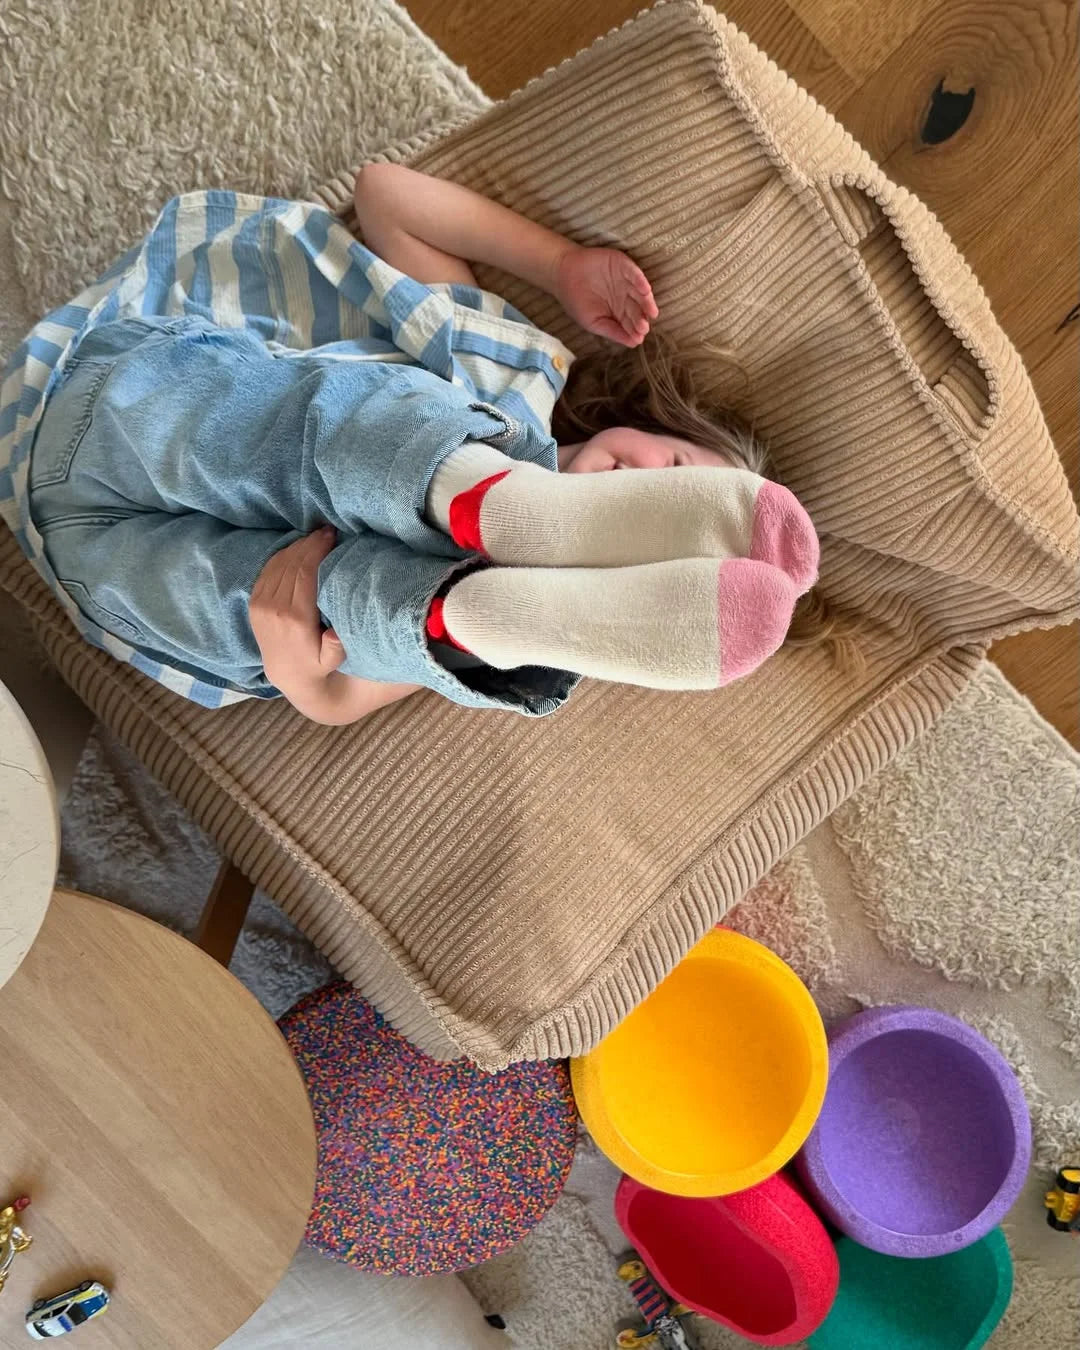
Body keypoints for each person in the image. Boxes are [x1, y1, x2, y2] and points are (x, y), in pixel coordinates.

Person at [2, 166, 824, 726]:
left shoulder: (530, 610)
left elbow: (350, 691)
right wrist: (558, 262)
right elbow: (388, 196)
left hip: (102, 565)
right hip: (118, 410)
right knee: (333, 427)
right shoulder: (516, 375)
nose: (641, 475)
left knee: (363, 620)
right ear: (649, 424)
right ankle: (502, 499)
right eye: (669, 474)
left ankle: (466, 602)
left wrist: (305, 680)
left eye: (650, 513)